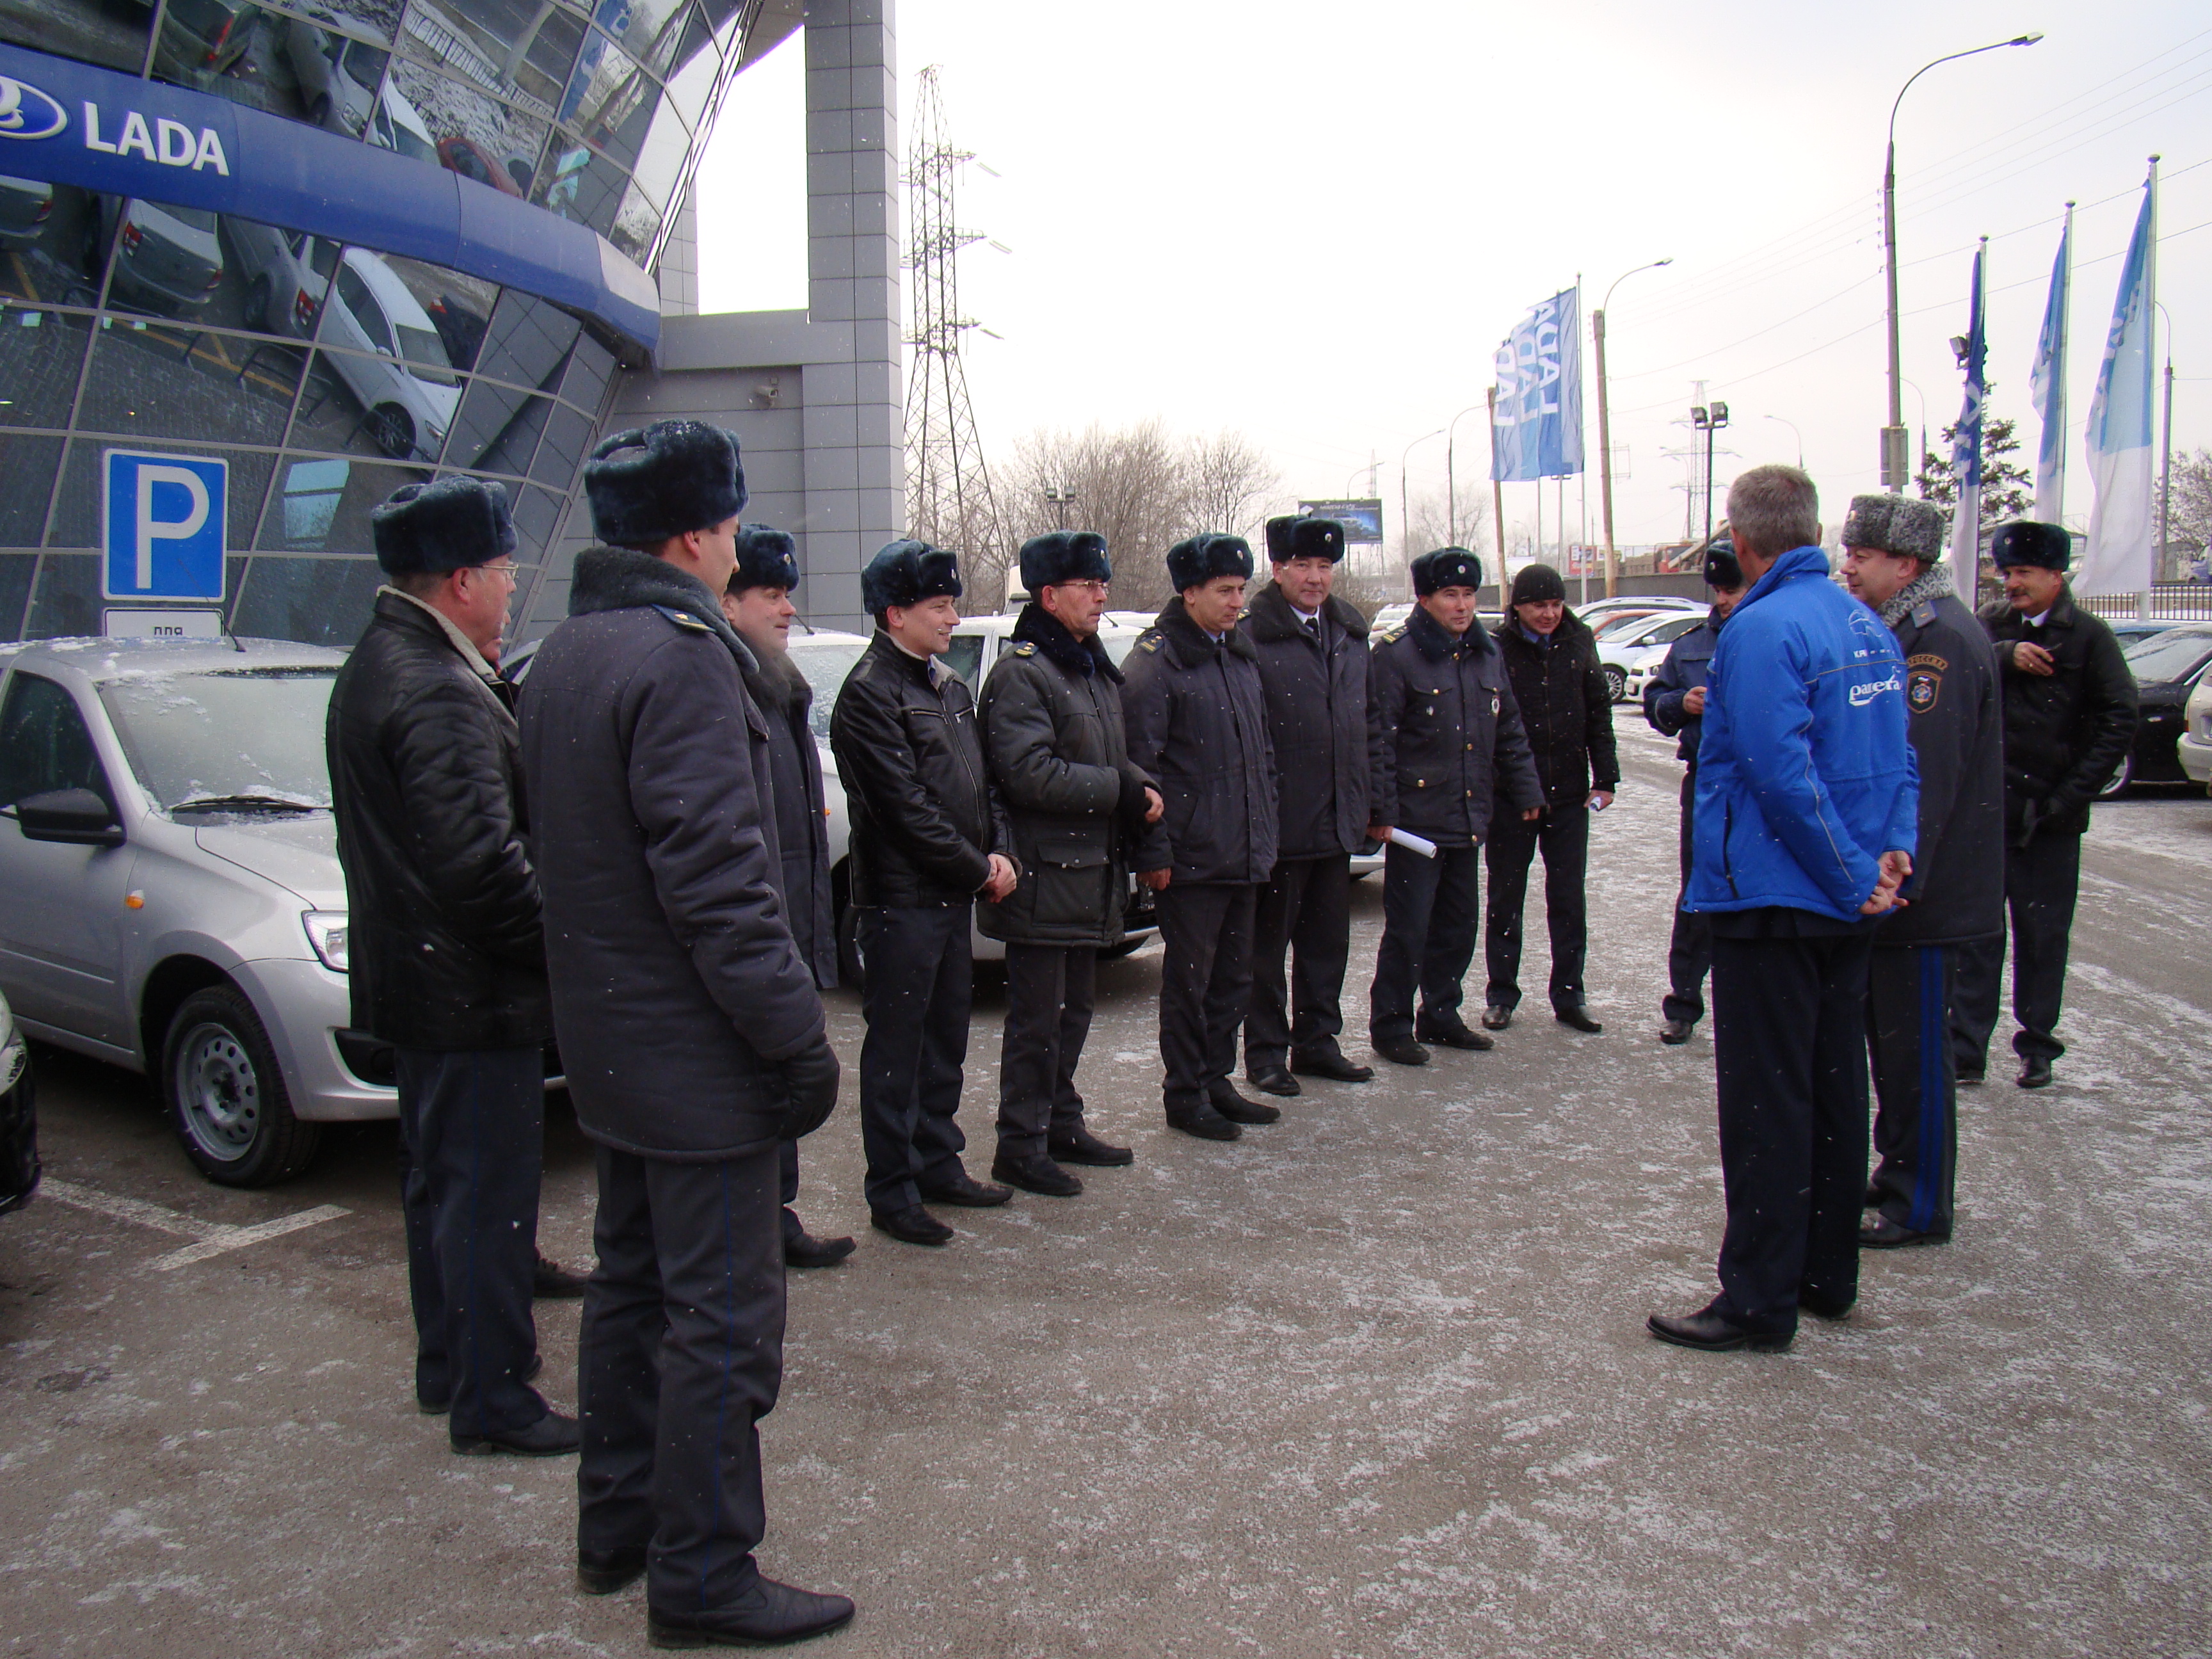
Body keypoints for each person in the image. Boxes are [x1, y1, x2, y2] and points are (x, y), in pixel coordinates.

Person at [519, 421, 852, 1645]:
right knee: (721, 1319)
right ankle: (703, 1572)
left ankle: (616, 1528)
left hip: (610, 1047)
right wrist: (792, 1041)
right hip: (697, 1055)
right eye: (729, 528)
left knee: (635, 1293)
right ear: (699, 534)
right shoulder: (682, 658)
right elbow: (718, 882)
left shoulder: (564, 651)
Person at [326, 477, 575, 1455]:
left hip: (427, 984)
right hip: (470, 995)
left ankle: (451, 1366)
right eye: (506, 571)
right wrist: (570, 943)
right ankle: (494, 1397)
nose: (513, 590)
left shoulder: (387, 659)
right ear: (462, 577)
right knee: (485, 1197)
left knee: (442, 1186)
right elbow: (483, 870)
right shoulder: (434, 685)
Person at [1648, 463, 1919, 1354]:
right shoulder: (1863, 624)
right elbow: (1895, 764)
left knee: (1769, 1102)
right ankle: (1824, 1272)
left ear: (1742, 538)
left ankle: (1760, 1297)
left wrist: (1851, 873)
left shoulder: (1762, 629)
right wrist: (1889, 857)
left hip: (1775, 896)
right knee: (1837, 1086)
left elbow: (1778, 772)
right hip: (1843, 902)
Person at [830, 538, 1019, 1246]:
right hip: (901, 904)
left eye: (951, 603)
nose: (951, 617)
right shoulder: (869, 695)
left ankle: (938, 1163)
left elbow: (984, 783)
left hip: (949, 897)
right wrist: (980, 869)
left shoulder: (947, 685)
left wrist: (999, 849)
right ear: (894, 612)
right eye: (938, 606)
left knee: (945, 1041)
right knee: (897, 1051)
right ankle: (892, 1190)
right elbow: (904, 812)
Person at [1838, 493, 2004, 1249]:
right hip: (1915, 887)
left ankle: (1920, 1200)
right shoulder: (1908, 630)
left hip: (1924, 895)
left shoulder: (1936, 644)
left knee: (1916, 1056)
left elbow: (1928, 777)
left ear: (1905, 565)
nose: (1851, 568)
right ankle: (1900, 1172)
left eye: (1864, 557)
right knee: (1896, 1050)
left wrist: (1897, 881)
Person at [976, 530, 1158, 1195]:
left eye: (1103, 583)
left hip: (1084, 877)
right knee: (1038, 1023)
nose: (1102, 595)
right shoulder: (1025, 672)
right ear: (1050, 595)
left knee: (1072, 1012)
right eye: (1089, 585)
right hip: (1042, 878)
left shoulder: (1085, 665)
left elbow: (1107, 755)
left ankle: (1059, 1122)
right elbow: (1029, 776)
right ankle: (1018, 1145)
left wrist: (1138, 783)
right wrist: (1120, 790)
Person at [1952, 521, 2138, 1090]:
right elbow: (1967, 673)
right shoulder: (1992, 627)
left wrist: (2068, 798)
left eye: (2024, 574)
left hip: (2049, 819)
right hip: (1991, 811)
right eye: (2007, 573)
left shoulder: (2088, 637)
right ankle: (1966, 1050)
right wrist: (2006, 655)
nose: (2012, 584)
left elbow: (2119, 717)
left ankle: (2037, 1046)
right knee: (1979, 936)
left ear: (2056, 576)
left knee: (2042, 936)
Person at [719, 524, 855, 1270]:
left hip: (785, 919)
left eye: (788, 596)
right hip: (755, 925)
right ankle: (755, 1221)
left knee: (775, 1078)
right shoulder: (723, 685)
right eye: (769, 594)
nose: (785, 610)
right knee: (753, 1078)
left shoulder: (779, 683)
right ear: (728, 600)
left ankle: (777, 1213)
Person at [1122, 533, 1281, 1141]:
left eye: (1241, 590)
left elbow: (1260, 754)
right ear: (1189, 593)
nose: (1237, 602)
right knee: (1190, 981)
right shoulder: (1155, 665)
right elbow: (1142, 769)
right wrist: (1155, 852)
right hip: (1190, 858)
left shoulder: (1237, 655)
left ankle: (1216, 1080)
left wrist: (1263, 831)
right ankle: (1184, 1094)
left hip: (1241, 849)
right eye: (1224, 591)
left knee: (1234, 977)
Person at [1366, 548, 1543, 1066]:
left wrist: (1526, 789)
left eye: (1469, 595)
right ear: (1425, 598)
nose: (1462, 605)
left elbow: (1507, 727)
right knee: (1410, 928)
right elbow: (1379, 742)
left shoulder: (1486, 653)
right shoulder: (1397, 656)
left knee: (1458, 925)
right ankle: (1392, 1023)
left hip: (1467, 815)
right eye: (1450, 595)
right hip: (1416, 822)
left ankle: (1441, 1013)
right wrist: (1382, 810)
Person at [1240, 514, 1379, 1096]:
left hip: (1336, 819)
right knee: (1267, 953)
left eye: (1325, 567)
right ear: (1278, 569)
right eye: (1303, 566)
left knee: (1327, 946)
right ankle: (1267, 1054)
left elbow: (1367, 723)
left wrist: (1369, 804)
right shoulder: (1251, 636)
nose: (1316, 578)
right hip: (1281, 821)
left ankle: (1318, 1043)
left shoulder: (1348, 633)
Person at [1483, 563, 1619, 1034]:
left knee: (1567, 896)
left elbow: (1598, 710)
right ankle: (1501, 993)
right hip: (1514, 796)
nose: (1549, 614)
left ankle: (1569, 994)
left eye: (1556, 604)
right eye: (1539, 605)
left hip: (1568, 793)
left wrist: (1606, 777)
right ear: (1518, 607)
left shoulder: (1579, 641)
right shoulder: (1497, 649)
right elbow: (1492, 724)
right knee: (1506, 896)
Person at [1643, 537, 1749, 1045]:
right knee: (1699, 893)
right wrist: (1681, 703)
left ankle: (1745, 1005)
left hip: (1763, 788)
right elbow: (1656, 704)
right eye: (1719, 589)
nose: (1725, 599)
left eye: (1735, 588)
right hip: (1706, 784)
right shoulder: (1690, 646)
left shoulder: (1773, 636)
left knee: (1753, 896)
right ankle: (1683, 1001)